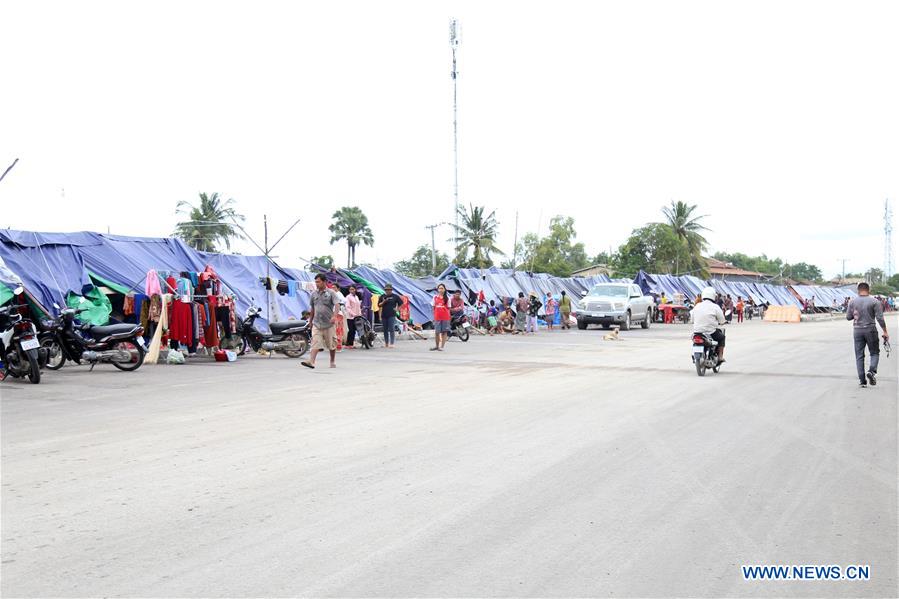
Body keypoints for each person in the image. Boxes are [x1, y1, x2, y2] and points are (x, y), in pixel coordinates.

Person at [847, 282, 890, 387]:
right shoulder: (875, 301)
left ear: (858, 290)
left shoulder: (852, 302)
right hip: (870, 329)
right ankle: (871, 371)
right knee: (874, 353)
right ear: (868, 290)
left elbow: (848, 317)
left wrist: (857, 314)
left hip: (857, 330)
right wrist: (885, 331)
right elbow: (880, 318)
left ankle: (862, 381)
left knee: (859, 355)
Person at [302, 274, 342, 369]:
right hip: (317, 323)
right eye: (316, 282)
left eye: (318, 282)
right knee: (315, 342)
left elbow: (337, 305)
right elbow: (312, 308)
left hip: (329, 324)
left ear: (324, 282)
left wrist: (334, 316)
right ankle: (312, 362)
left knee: (331, 344)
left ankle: (332, 361)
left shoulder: (331, 293)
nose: (317, 284)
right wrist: (310, 321)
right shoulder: (314, 294)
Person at [691, 286, 727, 363]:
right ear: (714, 296)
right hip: (710, 332)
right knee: (722, 337)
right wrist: (723, 322)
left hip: (697, 332)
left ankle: (694, 355)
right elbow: (722, 320)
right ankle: (720, 356)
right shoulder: (715, 307)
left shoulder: (697, 305)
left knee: (693, 340)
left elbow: (692, 319)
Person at [379, 283, 400, 348]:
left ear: (391, 290)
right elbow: (379, 305)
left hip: (392, 315)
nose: (387, 291)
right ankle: (386, 343)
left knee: (391, 329)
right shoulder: (382, 296)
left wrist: (397, 309)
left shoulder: (395, 296)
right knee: (385, 329)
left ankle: (392, 343)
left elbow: (401, 303)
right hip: (384, 315)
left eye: (389, 290)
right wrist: (383, 302)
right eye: (386, 290)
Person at [431, 283, 451, 351]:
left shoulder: (447, 298)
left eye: (442, 288)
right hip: (437, 317)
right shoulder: (435, 297)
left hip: (445, 317)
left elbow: (449, 308)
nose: (440, 290)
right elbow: (433, 307)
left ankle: (442, 346)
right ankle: (437, 346)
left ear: (444, 289)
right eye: (439, 288)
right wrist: (434, 316)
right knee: (437, 332)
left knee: (444, 332)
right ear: (437, 289)